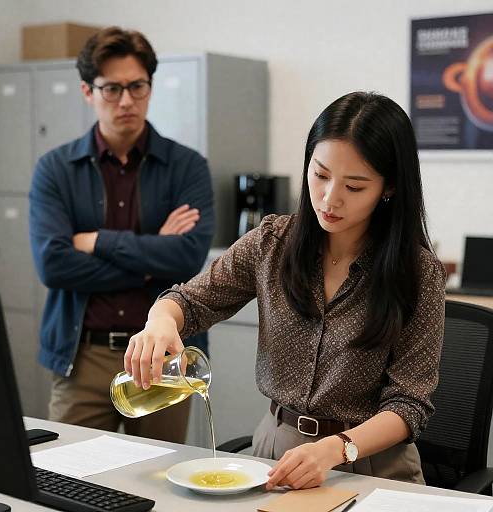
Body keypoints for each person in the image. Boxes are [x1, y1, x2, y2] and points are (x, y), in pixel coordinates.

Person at [124, 91, 446, 488]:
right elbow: (190, 301)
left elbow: (409, 402)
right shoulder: (271, 243)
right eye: (321, 173)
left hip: (371, 463)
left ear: (389, 188)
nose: (330, 198)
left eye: (355, 186)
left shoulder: (418, 273)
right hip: (277, 450)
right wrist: (160, 321)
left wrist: (336, 449)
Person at [29, 26, 214, 443]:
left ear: (150, 87)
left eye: (137, 86)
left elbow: (186, 258)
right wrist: (151, 263)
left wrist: (96, 241)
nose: (127, 100)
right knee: (68, 479)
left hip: (164, 358)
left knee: (159, 483)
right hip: (84, 355)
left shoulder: (187, 167)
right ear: (87, 92)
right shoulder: (56, 169)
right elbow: (53, 265)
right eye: (112, 88)